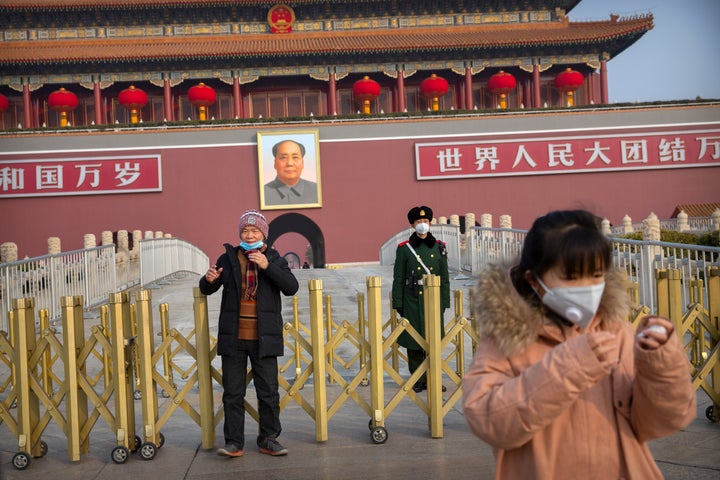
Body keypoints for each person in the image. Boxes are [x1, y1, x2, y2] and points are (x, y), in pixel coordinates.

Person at [462, 209, 696, 479]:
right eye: (571, 278)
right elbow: (487, 420)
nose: (587, 287)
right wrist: (566, 368)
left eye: (596, 275)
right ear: (534, 280)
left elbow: (663, 422)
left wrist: (661, 365)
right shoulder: (507, 337)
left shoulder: (617, 331)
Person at [199, 209, 299, 458]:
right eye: (245, 230)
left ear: (264, 233)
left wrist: (267, 267)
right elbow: (208, 289)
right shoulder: (228, 258)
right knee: (233, 393)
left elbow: (291, 287)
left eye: (254, 230)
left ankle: (268, 438)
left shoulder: (274, 258)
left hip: (264, 337)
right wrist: (208, 280)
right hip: (234, 337)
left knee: (268, 392)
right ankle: (234, 441)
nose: (250, 234)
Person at [392, 205, 450, 393]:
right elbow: (398, 278)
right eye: (418, 222)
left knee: (433, 341)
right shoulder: (404, 249)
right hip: (412, 300)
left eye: (425, 222)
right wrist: (398, 303)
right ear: (412, 224)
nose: (422, 225)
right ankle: (418, 379)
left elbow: (445, 277)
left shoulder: (440, 247)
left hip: (434, 300)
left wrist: (444, 302)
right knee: (414, 342)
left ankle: (433, 378)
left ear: (430, 223)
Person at [263, 139, 318, 205]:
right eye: (283, 158)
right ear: (275, 163)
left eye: (295, 157)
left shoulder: (317, 191)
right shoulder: (263, 193)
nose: (289, 163)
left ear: (303, 163)